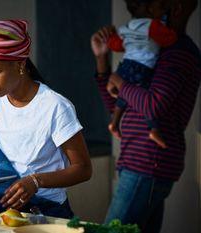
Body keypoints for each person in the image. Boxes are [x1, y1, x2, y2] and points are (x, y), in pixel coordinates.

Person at [0, 19, 92, 218]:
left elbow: (82, 169)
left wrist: (35, 181)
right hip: (3, 217)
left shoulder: (54, 107)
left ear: (20, 64)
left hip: (48, 215)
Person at [90, 0, 200, 232]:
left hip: (148, 164)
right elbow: (117, 107)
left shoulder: (179, 52)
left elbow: (153, 106)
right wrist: (102, 60)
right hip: (135, 162)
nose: (140, 18)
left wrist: (120, 82)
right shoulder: (152, 49)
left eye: (153, 8)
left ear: (177, 9)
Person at [106, 0, 177, 149]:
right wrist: (171, 31)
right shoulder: (153, 26)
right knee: (146, 98)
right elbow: (169, 39)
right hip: (142, 68)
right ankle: (153, 129)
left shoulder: (127, 27)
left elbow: (117, 45)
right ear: (150, 9)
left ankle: (114, 122)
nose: (164, 11)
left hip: (125, 66)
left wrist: (110, 36)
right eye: (161, 7)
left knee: (123, 95)